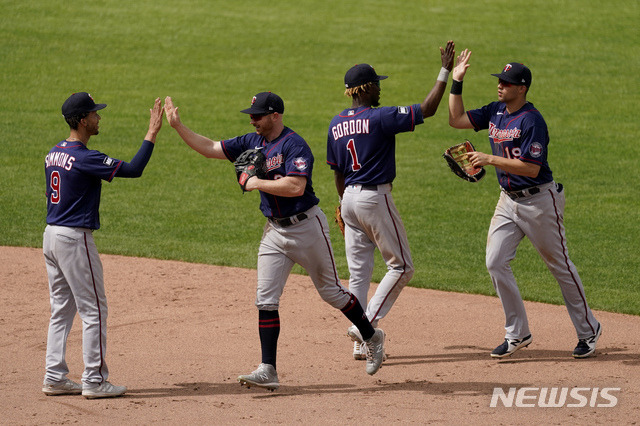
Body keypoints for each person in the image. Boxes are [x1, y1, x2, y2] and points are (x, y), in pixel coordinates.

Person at [163, 91, 385, 391]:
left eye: (258, 115)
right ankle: (268, 369)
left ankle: (371, 336)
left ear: (275, 115)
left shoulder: (295, 145)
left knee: (332, 293)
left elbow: (295, 186)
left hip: (307, 228)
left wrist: (256, 182)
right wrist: (178, 126)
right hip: (274, 233)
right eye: (251, 115)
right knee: (265, 300)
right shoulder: (251, 141)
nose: (252, 119)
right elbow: (211, 148)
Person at [447, 50, 601, 358]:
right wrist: (456, 81)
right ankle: (518, 333)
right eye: (499, 81)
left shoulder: (532, 121)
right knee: (495, 261)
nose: (500, 86)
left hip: (540, 202)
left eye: (506, 82)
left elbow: (531, 169)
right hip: (507, 201)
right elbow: (456, 120)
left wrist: (490, 159)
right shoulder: (496, 111)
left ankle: (589, 330)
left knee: (560, 266)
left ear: (522, 88)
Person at [326, 41, 455, 360]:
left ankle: (361, 345)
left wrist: (343, 206)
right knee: (402, 267)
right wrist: (445, 70)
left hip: (349, 201)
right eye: (377, 86)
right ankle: (365, 326)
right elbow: (427, 109)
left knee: (358, 275)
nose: (380, 91)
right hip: (373, 198)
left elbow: (337, 172)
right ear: (367, 89)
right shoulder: (380, 117)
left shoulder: (336, 124)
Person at [43, 93, 163, 398]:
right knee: (94, 310)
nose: (99, 117)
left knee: (61, 309)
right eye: (95, 114)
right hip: (73, 238)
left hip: (51, 235)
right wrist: (151, 133)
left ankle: (54, 376)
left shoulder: (53, 153)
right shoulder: (86, 157)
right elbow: (134, 169)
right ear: (83, 121)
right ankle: (94, 381)